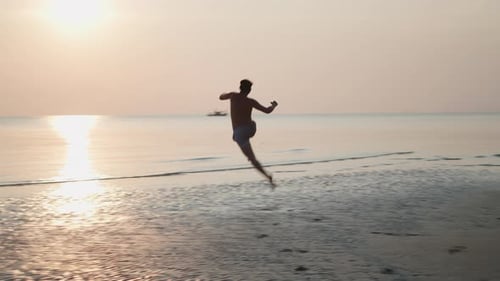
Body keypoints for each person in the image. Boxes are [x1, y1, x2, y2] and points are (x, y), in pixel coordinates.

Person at [219, 79, 278, 187]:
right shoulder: (251, 101)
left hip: (239, 133)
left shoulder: (233, 96)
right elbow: (267, 111)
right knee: (251, 126)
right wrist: (273, 106)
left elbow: (221, 97)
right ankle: (268, 177)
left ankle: (267, 176)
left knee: (252, 159)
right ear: (249, 90)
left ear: (240, 88)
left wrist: (225, 94)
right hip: (249, 129)